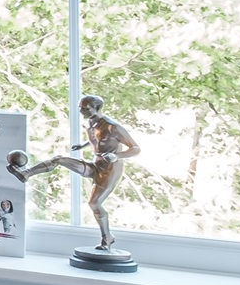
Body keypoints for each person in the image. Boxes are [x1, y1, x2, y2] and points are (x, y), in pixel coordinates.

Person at [8, 95, 142, 255]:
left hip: (110, 168)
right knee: (59, 159)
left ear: (97, 108)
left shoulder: (113, 127)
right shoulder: (89, 124)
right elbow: (97, 139)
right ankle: (26, 173)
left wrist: (117, 156)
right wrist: (83, 145)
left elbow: (135, 148)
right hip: (95, 164)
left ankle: (107, 238)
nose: (81, 110)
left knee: (95, 203)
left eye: (86, 108)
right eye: (80, 107)